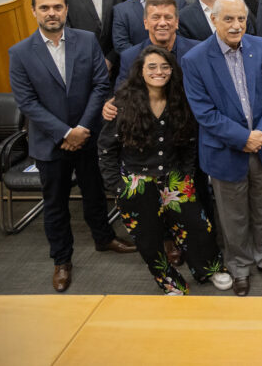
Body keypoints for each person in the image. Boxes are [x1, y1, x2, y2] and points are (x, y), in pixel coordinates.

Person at [9, 0, 136, 292]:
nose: (52, 13)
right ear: (34, 12)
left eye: (57, 7)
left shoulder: (87, 40)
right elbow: (27, 102)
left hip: (88, 136)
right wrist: (65, 133)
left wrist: (81, 129)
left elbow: (100, 85)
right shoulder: (20, 53)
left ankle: (104, 238)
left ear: (66, 9)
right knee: (55, 204)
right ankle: (62, 260)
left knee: (95, 194)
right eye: (44, 8)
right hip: (50, 143)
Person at [99, 46, 231, 294]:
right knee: (148, 238)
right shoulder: (121, 104)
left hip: (174, 178)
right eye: (152, 67)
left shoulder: (181, 101)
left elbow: (189, 144)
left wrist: (187, 175)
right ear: (140, 71)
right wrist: (117, 186)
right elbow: (106, 148)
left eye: (164, 67)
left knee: (198, 227)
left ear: (172, 70)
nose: (158, 72)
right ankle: (170, 282)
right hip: (136, 182)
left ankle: (210, 270)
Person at [181, 0, 262, 297]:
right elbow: (204, 113)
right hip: (226, 151)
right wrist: (243, 138)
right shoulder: (195, 59)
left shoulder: (260, 47)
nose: (236, 25)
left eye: (241, 18)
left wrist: (261, 133)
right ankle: (240, 267)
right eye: (228, 18)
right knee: (233, 216)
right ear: (214, 19)